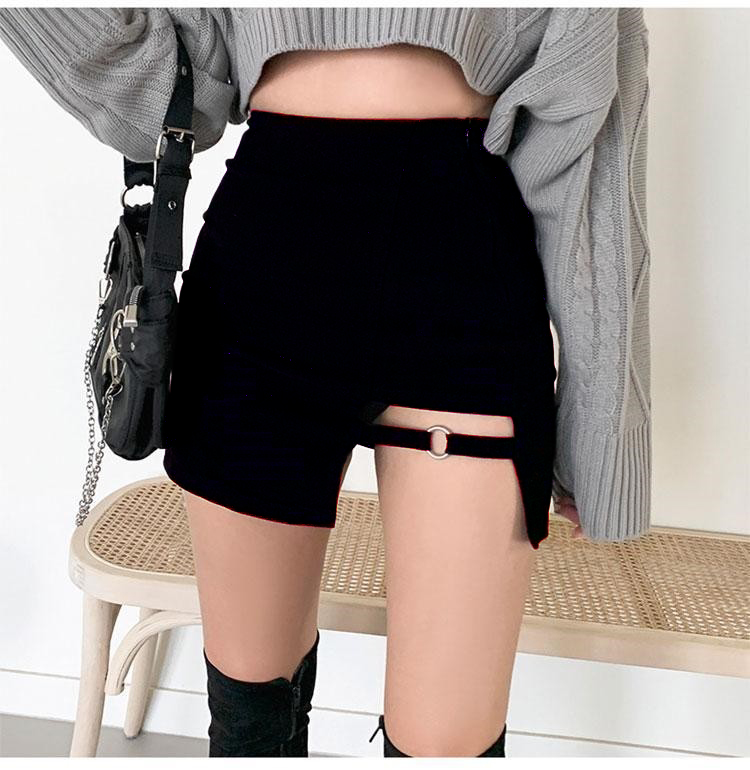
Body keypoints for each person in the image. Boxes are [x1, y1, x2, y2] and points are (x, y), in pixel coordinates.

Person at [0, 8, 651, 758]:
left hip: (466, 277)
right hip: (263, 273)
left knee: (449, 744)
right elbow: (171, 94)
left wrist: (603, 430)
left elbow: (593, 149)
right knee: (251, 715)